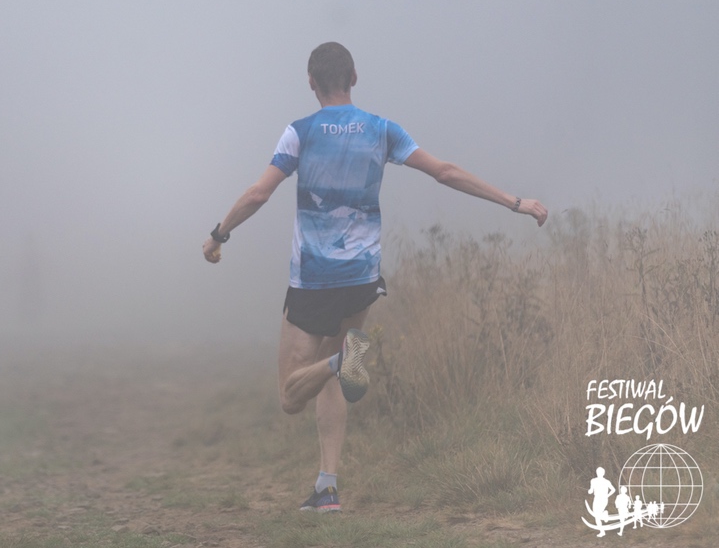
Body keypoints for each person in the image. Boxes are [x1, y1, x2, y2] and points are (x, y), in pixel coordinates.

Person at [201, 42, 548, 512]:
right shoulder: (382, 130)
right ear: (354, 77)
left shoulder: (300, 132)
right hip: (362, 278)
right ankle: (327, 487)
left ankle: (340, 363)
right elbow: (445, 172)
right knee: (334, 372)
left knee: (290, 395)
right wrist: (515, 202)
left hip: (314, 279)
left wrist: (219, 234)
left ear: (311, 83)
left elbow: (259, 194)